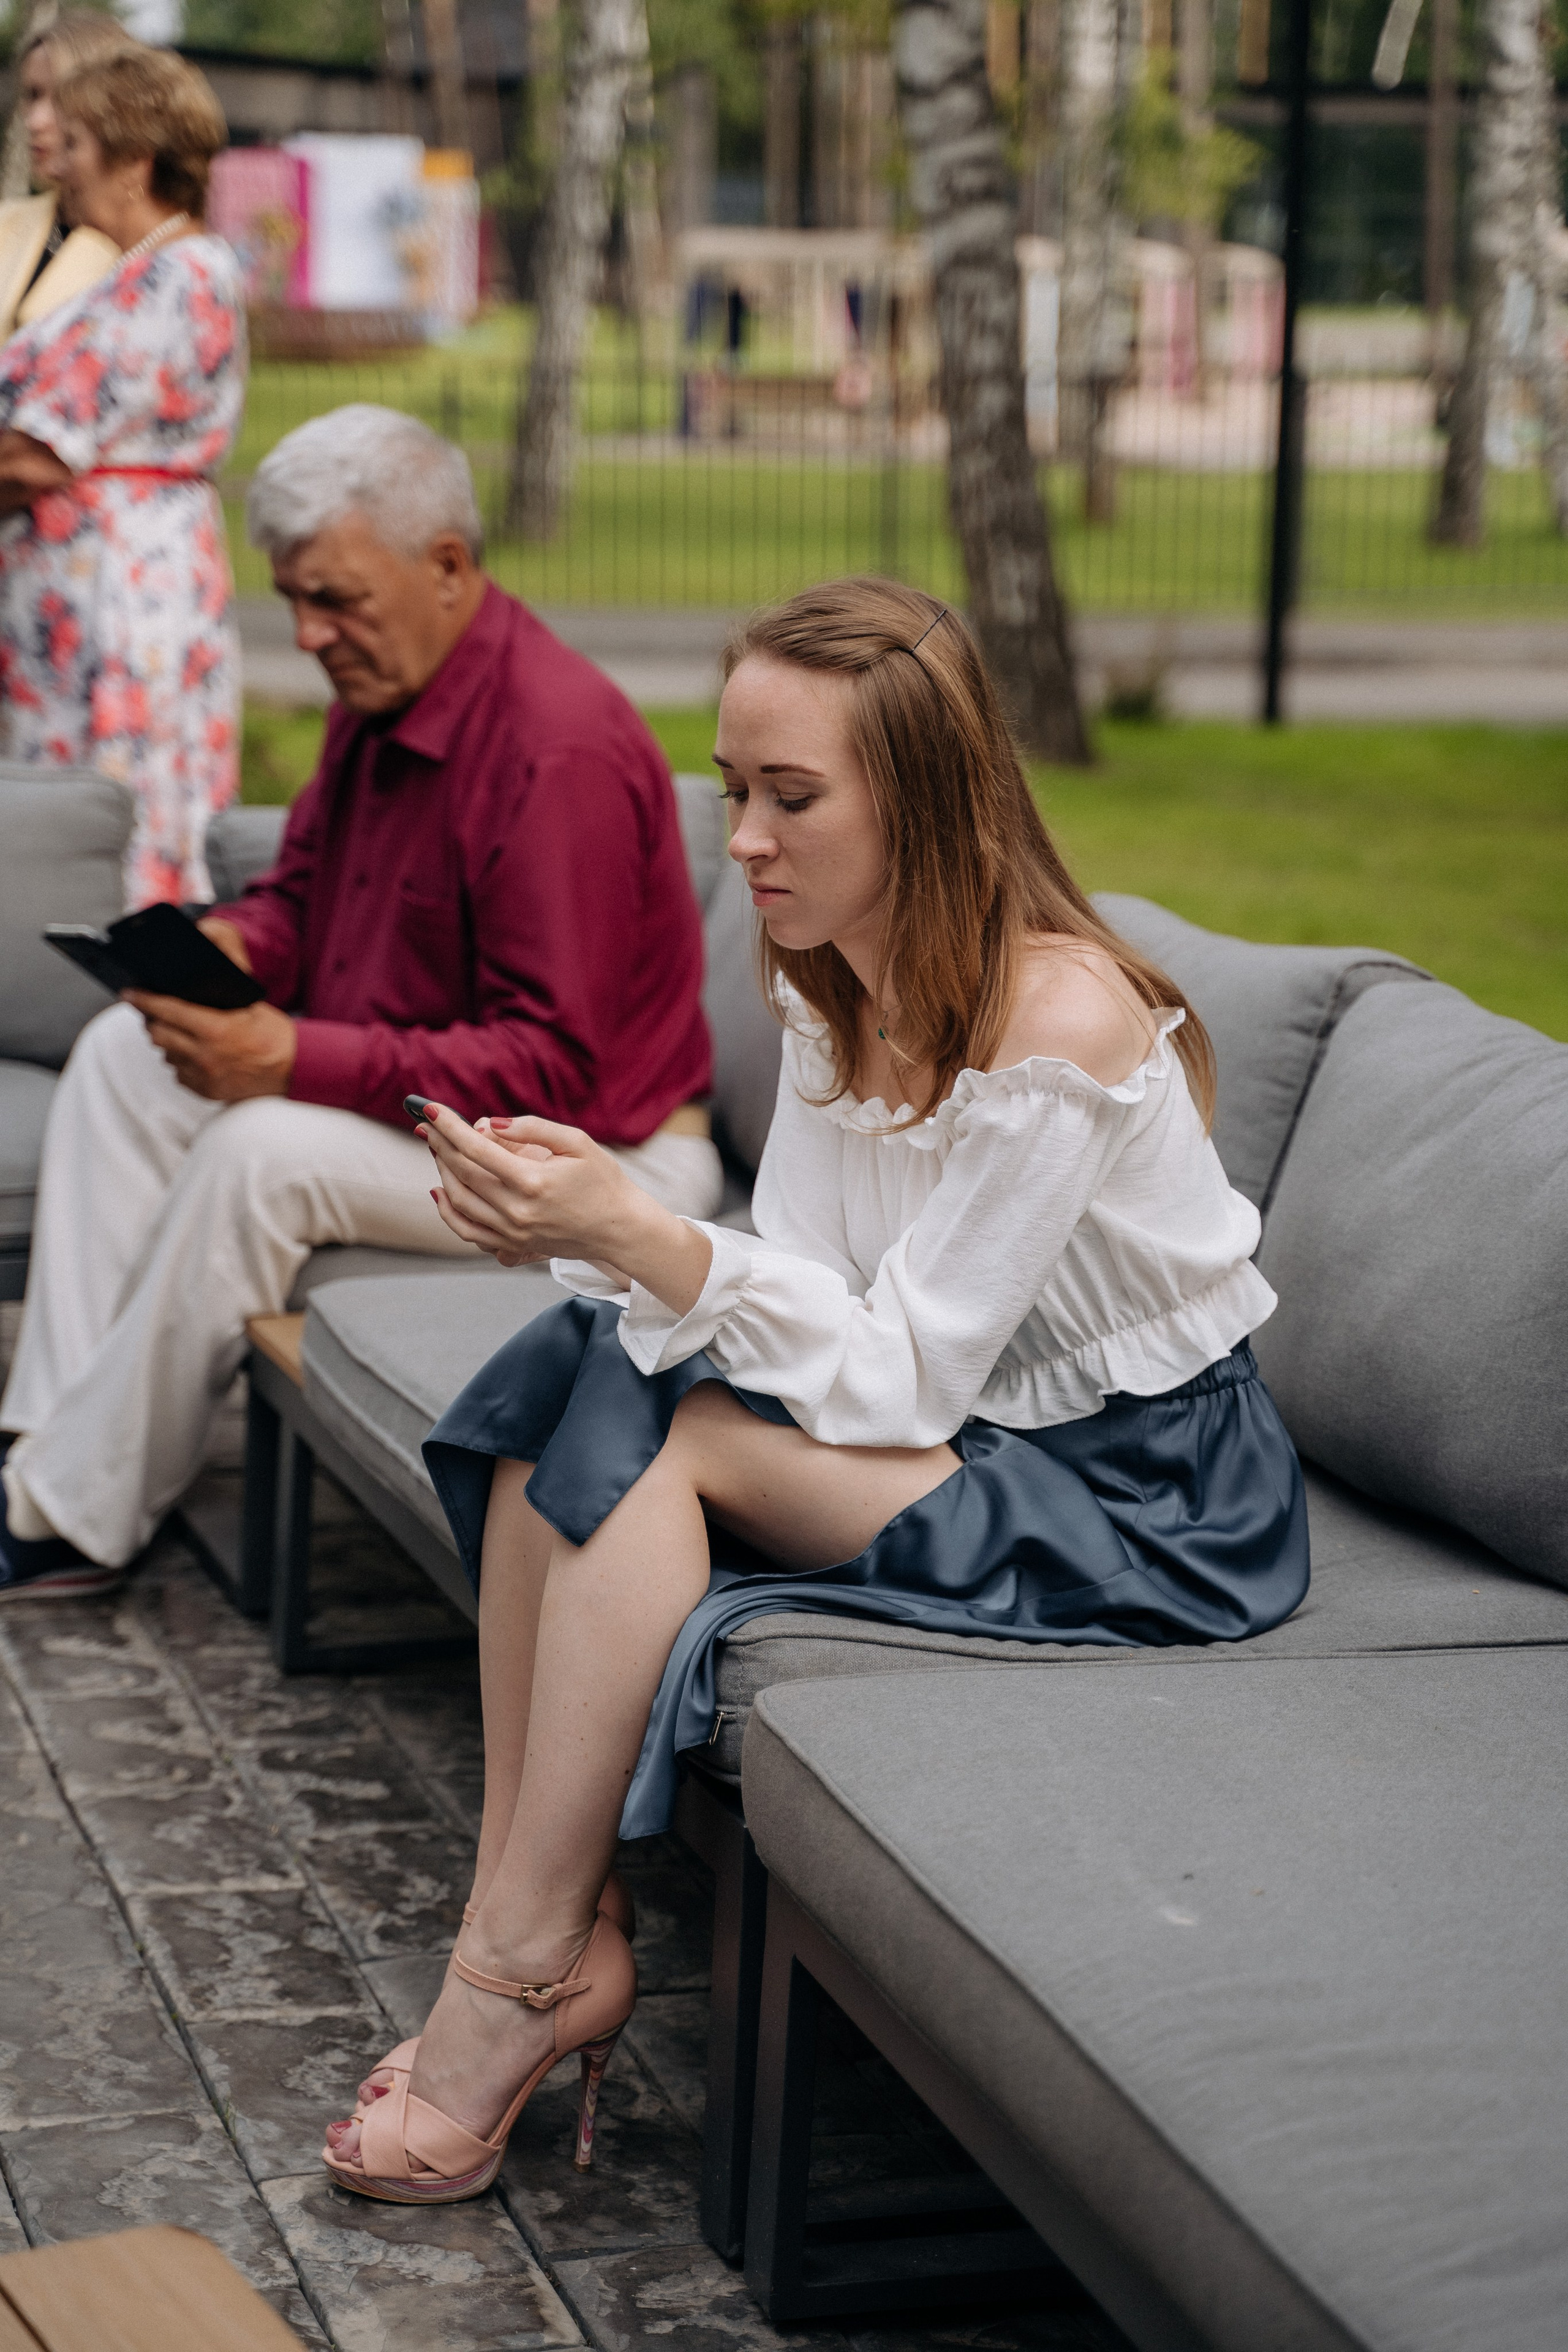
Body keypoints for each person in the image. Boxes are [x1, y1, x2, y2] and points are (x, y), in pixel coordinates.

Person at [317, 577, 1311, 2205]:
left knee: (673, 1443)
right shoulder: (829, 976)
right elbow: (799, 1279)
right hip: (964, 1432)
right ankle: (529, 1920)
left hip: (1140, 1497)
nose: (746, 842)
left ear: (920, 796)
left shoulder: (1057, 1018)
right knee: (573, 1364)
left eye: (793, 797)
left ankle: (514, 1979)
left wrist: (644, 1233)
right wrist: (594, 1235)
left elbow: (902, 1372)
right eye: (734, 791)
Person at [0, 405, 718, 1599]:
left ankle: (74, 1516)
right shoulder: (381, 697)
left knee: (258, 1149)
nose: (308, 634)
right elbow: (302, 900)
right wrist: (226, 947)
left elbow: (553, 1066)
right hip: (444, 1116)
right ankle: (51, 1446)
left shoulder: (556, 751)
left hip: (594, 1159)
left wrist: (287, 1059)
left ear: (446, 565)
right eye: (292, 599)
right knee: (129, 1048)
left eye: (336, 600)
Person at [0, 47, 241, 906]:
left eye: (75, 143)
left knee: (112, 813)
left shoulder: (182, 277)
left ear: (135, 163)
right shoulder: (141, 272)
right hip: (85, 597)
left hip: (121, 603)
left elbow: (37, 449)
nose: (57, 164)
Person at [0, 11, 130, 337]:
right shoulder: (8, 221)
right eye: (32, 96)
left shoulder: (137, 238)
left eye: (58, 98)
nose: (35, 121)